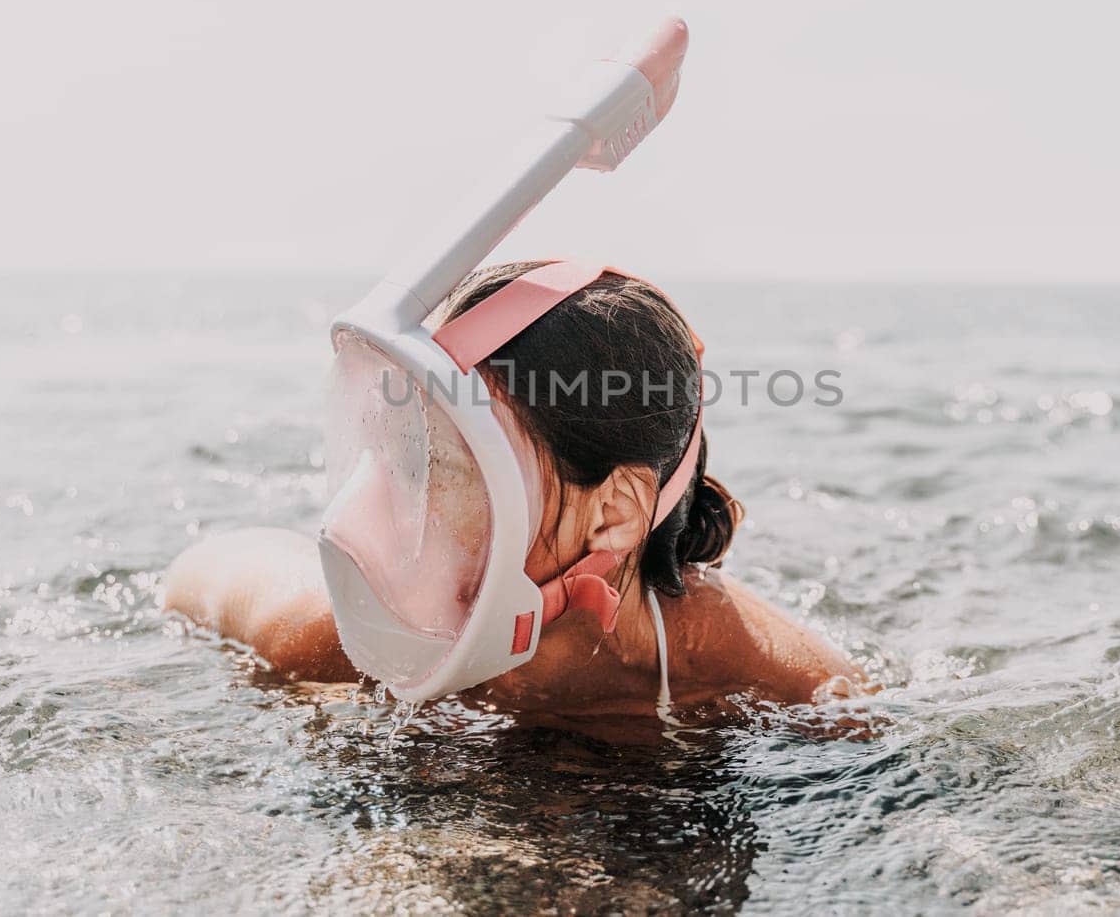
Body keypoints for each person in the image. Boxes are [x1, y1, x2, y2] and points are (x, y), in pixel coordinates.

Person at [164, 263, 858, 723]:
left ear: (612, 515)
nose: (407, 509)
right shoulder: (346, 637)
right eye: (410, 457)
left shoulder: (726, 664)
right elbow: (191, 578)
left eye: (456, 468)